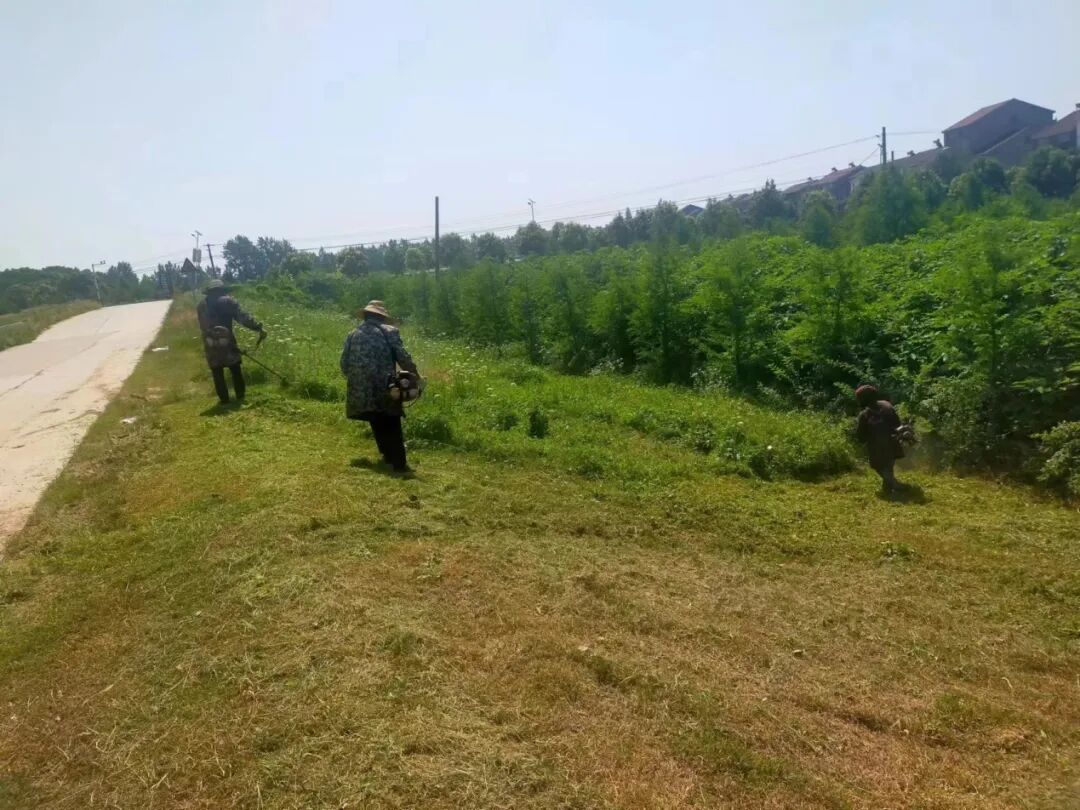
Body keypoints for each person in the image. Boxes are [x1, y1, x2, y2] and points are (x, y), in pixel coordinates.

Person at [340, 300, 420, 474]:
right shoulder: (390, 332)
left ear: (366, 316)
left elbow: (344, 364)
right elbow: (403, 357)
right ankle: (398, 464)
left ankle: (386, 456)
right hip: (385, 385)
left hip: (360, 388)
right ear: (381, 317)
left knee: (375, 418)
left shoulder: (353, 334)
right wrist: (415, 376)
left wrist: (358, 379)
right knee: (391, 420)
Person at [196, 279, 266, 405]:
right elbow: (243, 318)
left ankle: (224, 400)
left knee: (217, 370)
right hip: (227, 340)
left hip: (210, 342)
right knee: (235, 367)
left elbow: (203, 326)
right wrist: (258, 327)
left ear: (210, 291)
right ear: (222, 290)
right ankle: (240, 395)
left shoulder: (201, 305)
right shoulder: (228, 301)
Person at [855, 384, 905, 493]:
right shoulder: (887, 405)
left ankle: (895, 484)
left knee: (878, 466)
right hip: (893, 442)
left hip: (878, 448)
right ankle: (888, 487)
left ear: (864, 399)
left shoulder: (865, 414)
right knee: (889, 466)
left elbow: (860, 435)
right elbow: (897, 423)